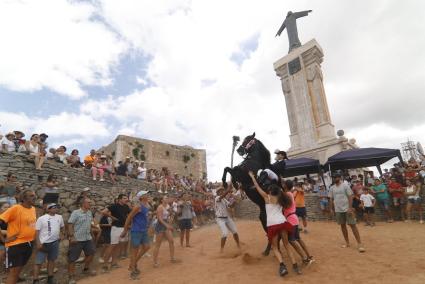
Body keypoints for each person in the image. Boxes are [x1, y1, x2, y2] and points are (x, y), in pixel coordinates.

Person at [249, 172, 299, 276]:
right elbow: (283, 191)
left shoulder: (267, 198)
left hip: (272, 225)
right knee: (286, 245)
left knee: (275, 248)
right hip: (282, 222)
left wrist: (252, 177)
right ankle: (295, 266)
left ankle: (282, 266)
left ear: (270, 191)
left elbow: (257, 187)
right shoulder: (281, 198)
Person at [0, 190, 37, 284]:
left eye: (35, 195)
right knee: (13, 273)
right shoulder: (16, 208)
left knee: (17, 272)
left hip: (29, 243)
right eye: (31, 196)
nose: (35, 197)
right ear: (24, 198)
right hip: (16, 245)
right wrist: (4, 239)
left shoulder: (33, 209)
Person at [329, 172, 365, 253]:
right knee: (342, 225)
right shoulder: (332, 188)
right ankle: (347, 243)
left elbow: (350, 196)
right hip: (338, 209)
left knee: (353, 225)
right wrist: (331, 209)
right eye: (333, 177)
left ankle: (360, 244)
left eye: (336, 177)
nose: (334, 179)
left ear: (339, 177)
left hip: (347, 209)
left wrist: (350, 208)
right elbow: (331, 199)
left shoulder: (345, 185)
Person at [282, 180, 314, 266]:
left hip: (290, 220)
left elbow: (286, 205)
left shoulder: (287, 194)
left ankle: (304, 258)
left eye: (283, 184)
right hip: (294, 218)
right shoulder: (290, 194)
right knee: (298, 239)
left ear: (285, 186)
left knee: (291, 240)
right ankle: (309, 256)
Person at [121, 191, 151, 280]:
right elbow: (129, 217)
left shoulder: (147, 206)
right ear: (141, 197)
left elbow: (144, 217)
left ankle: (133, 264)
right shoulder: (138, 207)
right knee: (134, 251)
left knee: (147, 247)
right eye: (146, 194)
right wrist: (125, 230)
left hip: (143, 230)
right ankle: (133, 272)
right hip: (136, 231)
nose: (148, 195)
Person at [33, 203, 65, 284]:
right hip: (44, 243)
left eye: (57, 207)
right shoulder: (41, 218)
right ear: (48, 209)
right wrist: (38, 243)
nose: (56, 209)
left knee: (52, 260)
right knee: (38, 262)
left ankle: (50, 278)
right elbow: (37, 231)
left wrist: (62, 234)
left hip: (55, 242)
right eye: (54, 207)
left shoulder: (59, 217)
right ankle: (35, 279)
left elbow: (62, 227)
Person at [67, 198, 97, 284]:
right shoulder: (76, 213)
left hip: (87, 238)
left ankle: (86, 269)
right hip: (77, 239)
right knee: (72, 258)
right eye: (89, 202)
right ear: (83, 204)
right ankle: (71, 276)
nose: (90, 204)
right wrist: (72, 237)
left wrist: (92, 235)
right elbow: (70, 225)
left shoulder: (89, 212)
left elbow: (89, 225)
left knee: (91, 253)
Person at [101, 194, 130, 271]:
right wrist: (112, 217)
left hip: (123, 228)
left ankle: (114, 264)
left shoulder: (126, 207)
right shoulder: (114, 206)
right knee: (112, 246)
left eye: (126, 198)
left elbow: (129, 215)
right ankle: (105, 265)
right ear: (119, 199)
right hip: (116, 228)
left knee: (117, 247)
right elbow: (103, 212)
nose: (126, 199)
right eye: (124, 198)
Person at [152, 195, 180, 267]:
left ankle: (172, 258)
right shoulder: (160, 207)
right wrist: (167, 225)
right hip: (160, 225)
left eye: (167, 198)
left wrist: (171, 218)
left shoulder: (167, 206)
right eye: (166, 198)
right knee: (158, 244)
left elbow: (172, 213)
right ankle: (155, 262)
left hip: (165, 224)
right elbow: (160, 219)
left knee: (171, 241)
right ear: (162, 200)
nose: (167, 199)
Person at [214, 186, 241, 254]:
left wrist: (235, 201)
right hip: (220, 219)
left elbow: (231, 206)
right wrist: (228, 190)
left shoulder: (224, 199)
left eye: (222, 190)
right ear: (218, 192)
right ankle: (222, 249)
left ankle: (238, 245)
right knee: (225, 233)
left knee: (235, 231)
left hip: (226, 217)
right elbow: (222, 196)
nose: (222, 191)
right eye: (221, 191)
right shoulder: (217, 198)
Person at [0, 202, 9, 274]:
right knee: (2, 255)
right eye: (5, 207)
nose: (7, 209)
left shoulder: (9, 218)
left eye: (8, 207)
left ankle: (7, 273)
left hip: (9, 240)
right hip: (2, 241)